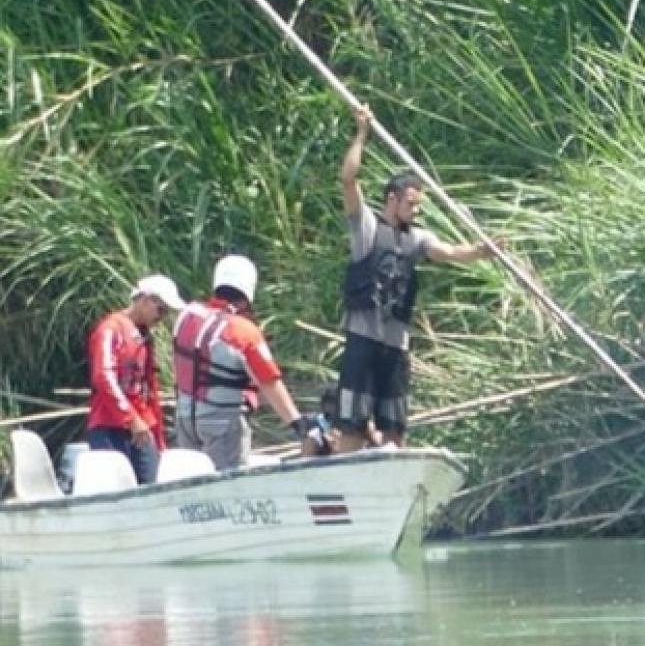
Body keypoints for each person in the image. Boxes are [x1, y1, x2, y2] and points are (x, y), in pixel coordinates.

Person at [334, 105, 498, 452]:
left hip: (395, 345)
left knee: (394, 429)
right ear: (392, 200)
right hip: (363, 340)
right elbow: (348, 179)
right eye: (411, 202)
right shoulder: (366, 228)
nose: (416, 209)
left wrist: (480, 252)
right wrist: (361, 133)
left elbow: (451, 252)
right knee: (352, 426)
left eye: (418, 204)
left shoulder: (417, 239)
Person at [172, 254, 306, 469]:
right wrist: (297, 422)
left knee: (194, 479)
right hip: (222, 424)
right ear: (247, 293)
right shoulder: (243, 331)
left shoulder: (186, 315)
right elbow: (269, 382)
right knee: (228, 487)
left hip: (185, 419)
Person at [86, 274, 186, 484]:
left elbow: (149, 389)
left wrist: (158, 437)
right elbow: (103, 377)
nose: (162, 316)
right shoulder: (110, 329)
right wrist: (131, 419)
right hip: (109, 425)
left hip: (141, 425)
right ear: (145, 299)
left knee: (152, 482)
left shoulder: (144, 336)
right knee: (117, 488)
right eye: (161, 309)